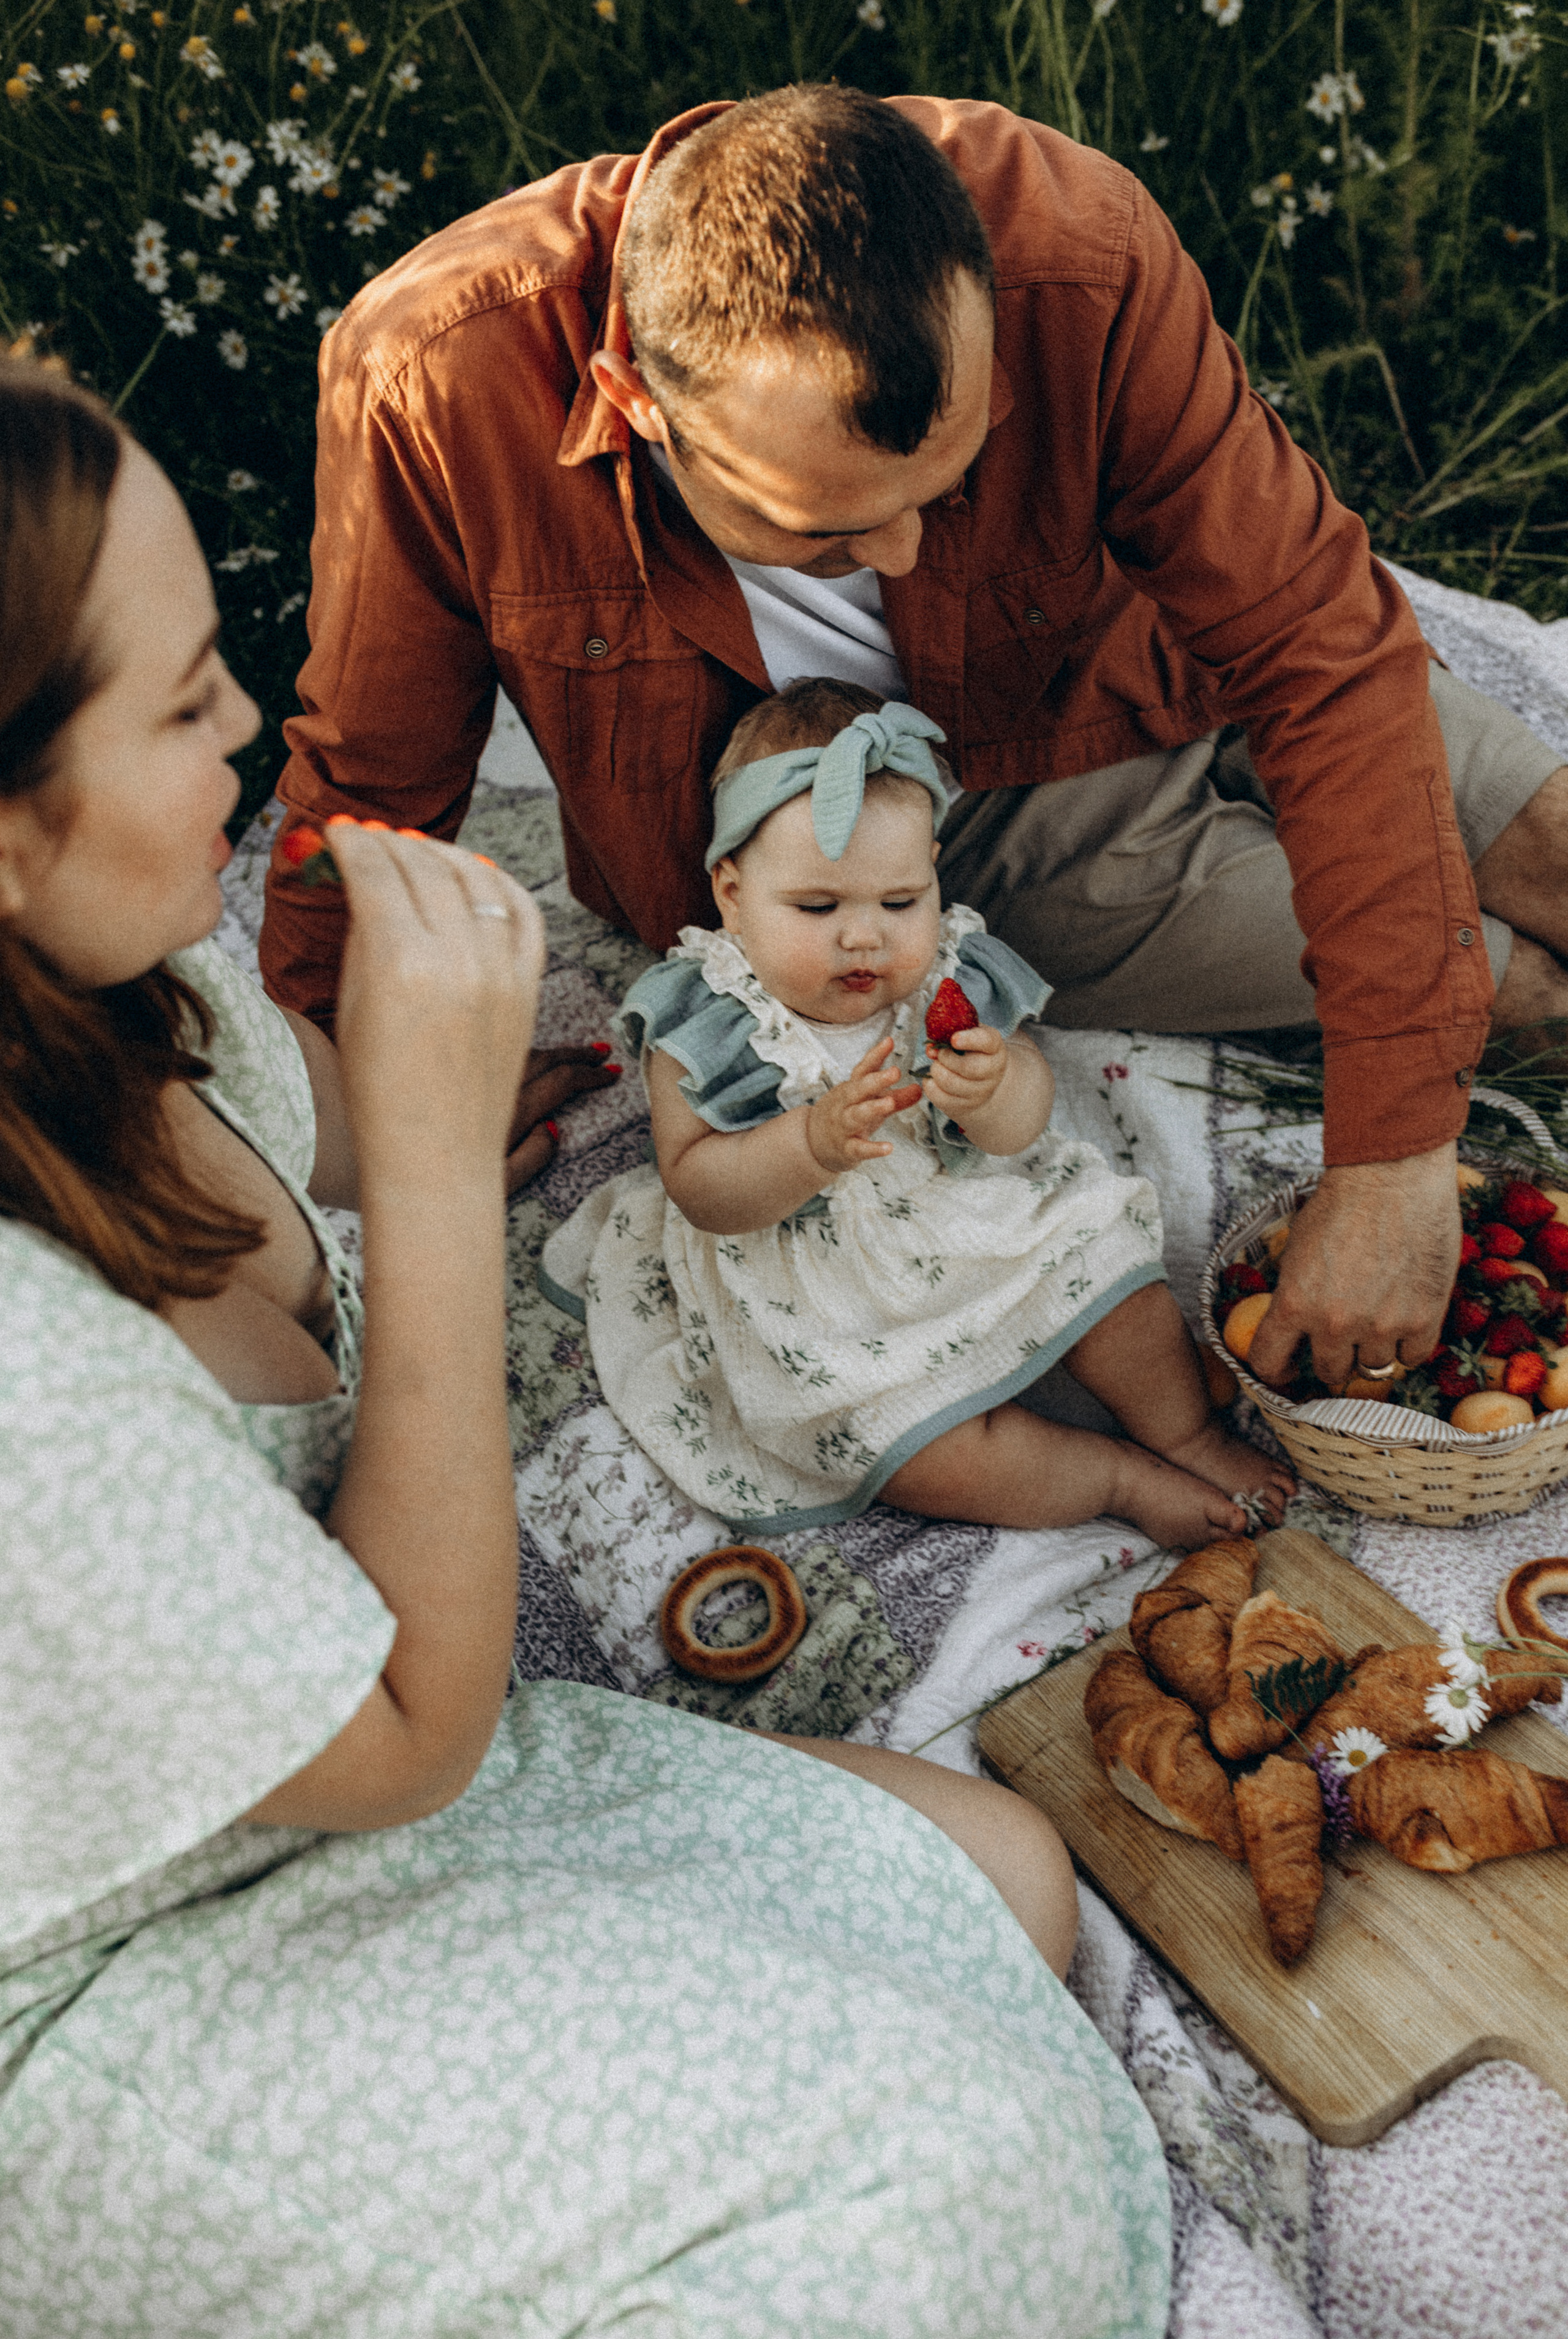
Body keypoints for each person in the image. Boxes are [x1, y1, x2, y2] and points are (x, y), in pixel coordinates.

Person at [0, 360, 1172, 2339]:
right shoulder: (30, 1389)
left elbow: (306, 1111)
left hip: (327, 1777)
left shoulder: (118, 969)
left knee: (1001, 1879)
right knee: (961, 2194)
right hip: (165, 1960)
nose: (248, 739)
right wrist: (439, 1178)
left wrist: (465, 1085)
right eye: (187, 702)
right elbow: (412, 1731)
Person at [261, 82, 1568, 1410]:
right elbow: (369, 778)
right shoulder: (434, 378)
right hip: (964, 832)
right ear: (635, 400)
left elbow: (1321, 656)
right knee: (1510, 994)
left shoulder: (1079, 248)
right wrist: (318, 1097)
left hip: (1164, 651)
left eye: (950, 485)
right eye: (827, 534)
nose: (897, 553)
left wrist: (1393, 1156)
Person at [542, 679, 1295, 1546]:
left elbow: (1022, 1126)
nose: (865, 936)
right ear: (732, 892)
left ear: (933, 872)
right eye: (818, 907)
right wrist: (809, 1144)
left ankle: (1185, 1433)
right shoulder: (705, 1016)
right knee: (901, 1446)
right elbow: (699, 1186)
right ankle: (1115, 1478)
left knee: (1115, 1279)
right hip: (816, 1285)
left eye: (899, 902)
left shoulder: (950, 971)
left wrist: (997, 1087)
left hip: (971, 1210)